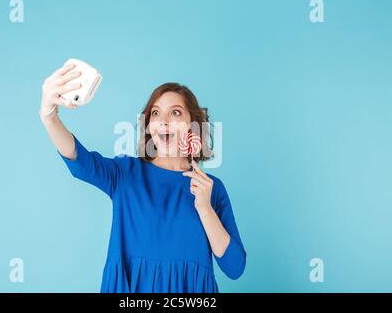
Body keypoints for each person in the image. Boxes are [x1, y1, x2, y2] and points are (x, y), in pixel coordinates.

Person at [39, 62, 247, 292]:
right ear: (149, 125)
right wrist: (49, 115)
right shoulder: (125, 173)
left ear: (193, 125)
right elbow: (80, 161)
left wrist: (205, 210)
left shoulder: (212, 189)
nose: (164, 120)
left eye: (175, 112)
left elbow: (234, 267)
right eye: (156, 113)